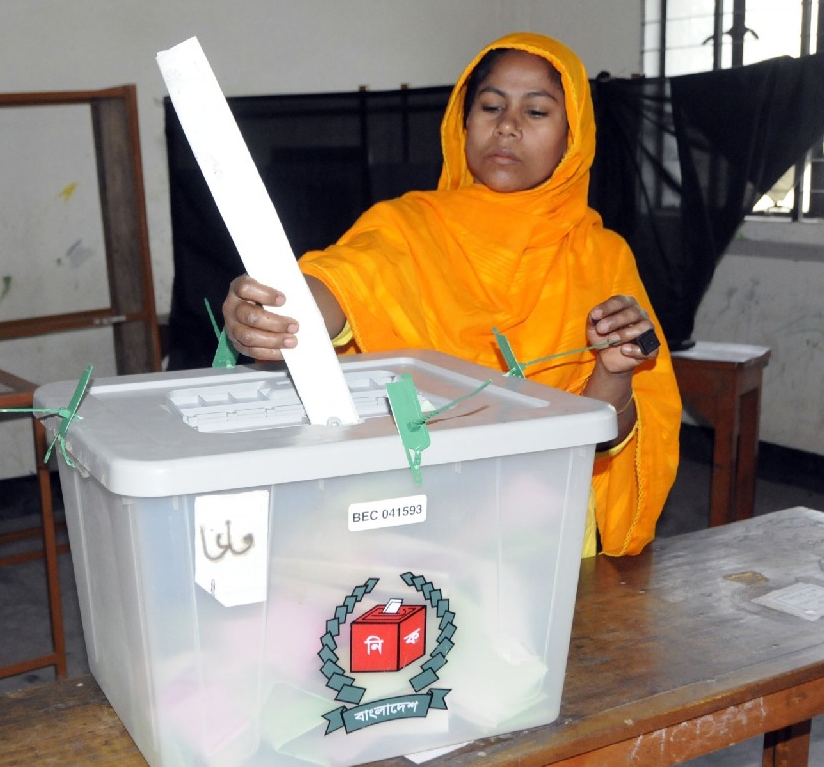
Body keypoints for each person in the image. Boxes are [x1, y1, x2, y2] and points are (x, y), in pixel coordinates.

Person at [222, 32, 681, 558]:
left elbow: (604, 436)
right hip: (410, 522)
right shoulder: (407, 225)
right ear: (462, 122)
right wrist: (277, 307)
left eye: (536, 112)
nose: (507, 125)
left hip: (540, 541)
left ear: (572, 137)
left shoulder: (602, 257)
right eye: (490, 106)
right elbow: (346, 282)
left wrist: (616, 370)